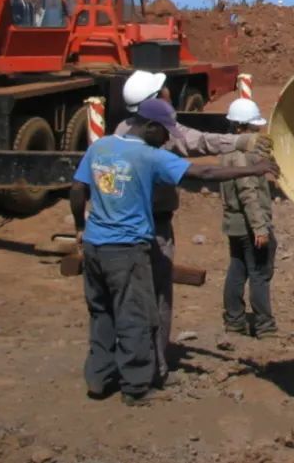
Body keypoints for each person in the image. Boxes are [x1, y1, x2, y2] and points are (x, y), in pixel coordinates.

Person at [70, 98, 277, 406]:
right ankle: (136, 387)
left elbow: (77, 189)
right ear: (150, 126)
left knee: (101, 312)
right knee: (135, 316)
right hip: (127, 250)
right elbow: (203, 175)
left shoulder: (101, 147)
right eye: (164, 131)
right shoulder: (149, 157)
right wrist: (257, 168)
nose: (168, 138)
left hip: (95, 245)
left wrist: (79, 226)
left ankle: (97, 377)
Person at [115, 70, 271, 387]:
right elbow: (200, 157)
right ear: (153, 102)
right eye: (163, 90)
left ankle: (126, 365)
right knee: (156, 298)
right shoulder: (155, 137)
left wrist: (240, 140)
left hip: (123, 227)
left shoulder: (124, 131)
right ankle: (150, 372)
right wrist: (248, 151)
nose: (169, 93)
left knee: (128, 298)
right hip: (151, 226)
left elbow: (199, 141)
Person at [220, 98, 277, 338]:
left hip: (233, 224)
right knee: (259, 274)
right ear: (243, 127)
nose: (258, 132)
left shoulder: (228, 151)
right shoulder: (241, 156)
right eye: (255, 128)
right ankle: (264, 326)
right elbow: (248, 193)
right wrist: (260, 228)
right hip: (249, 225)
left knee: (237, 269)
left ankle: (234, 321)